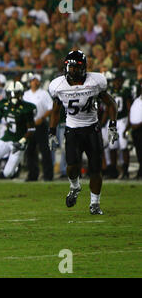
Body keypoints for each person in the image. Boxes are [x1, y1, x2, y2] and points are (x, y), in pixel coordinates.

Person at [48, 50, 118, 215]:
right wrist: (51, 132)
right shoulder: (58, 85)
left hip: (92, 128)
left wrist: (113, 125)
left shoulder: (95, 81)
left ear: (83, 67)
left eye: (75, 67)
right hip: (72, 129)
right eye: (69, 67)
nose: (72, 71)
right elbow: (56, 111)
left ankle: (95, 203)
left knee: (95, 169)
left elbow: (111, 103)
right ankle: (75, 186)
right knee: (72, 166)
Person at [23, 73, 54, 181]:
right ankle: (32, 174)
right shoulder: (26, 94)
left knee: (44, 150)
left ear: (39, 82)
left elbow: (51, 108)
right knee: (30, 150)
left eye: (36, 80)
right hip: (29, 125)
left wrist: (42, 117)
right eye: (32, 80)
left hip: (40, 124)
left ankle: (48, 175)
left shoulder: (44, 93)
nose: (34, 82)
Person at [104, 70, 133, 179]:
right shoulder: (110, 92)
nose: (117, 83)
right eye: (116, 81)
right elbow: (108, 108)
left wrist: (128, 123)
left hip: (122, 120)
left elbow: (129, 108)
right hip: (112, 121)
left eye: (119, 81)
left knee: (124, 146)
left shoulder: (125, 91)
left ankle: (125, 171)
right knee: (112, 147)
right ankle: (113, 170)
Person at [129, 93, 142, 179]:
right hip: (135, 130)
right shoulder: (137, 100)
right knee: (139, 151)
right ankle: (141, 170)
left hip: (140, 128)